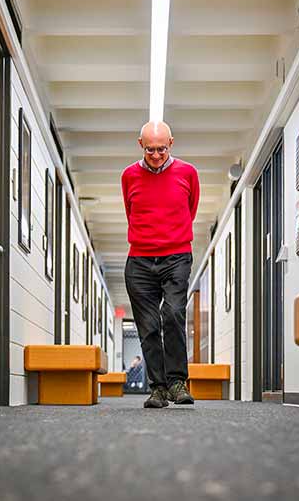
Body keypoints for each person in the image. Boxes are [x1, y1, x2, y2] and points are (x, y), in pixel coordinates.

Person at [122, 121, 200, 408]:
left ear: (172, 144)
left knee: (173, 314)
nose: (156, 155)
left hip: (176, 256)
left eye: (162, 149)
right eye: (151, 149)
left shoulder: (188, 173)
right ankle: (157, 388)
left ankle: (178, 383)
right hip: (140, 260)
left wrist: (171, 237)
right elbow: (132, 212)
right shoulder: (128, 175)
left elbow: (189, 210)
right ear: (140, 144)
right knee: (149, 325)